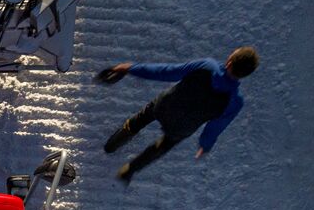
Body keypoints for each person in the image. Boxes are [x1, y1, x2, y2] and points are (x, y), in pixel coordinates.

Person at [99, 46, 258, 182]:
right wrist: (205, 145)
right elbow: (215, 127)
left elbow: (166, 72)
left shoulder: (206, 66)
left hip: (164, 106)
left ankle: (112, 144)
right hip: (183, 127)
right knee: (163, 145)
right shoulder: (235, 102)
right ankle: (130, 170)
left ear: (229, 61)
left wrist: (130, 68)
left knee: (141, 118)